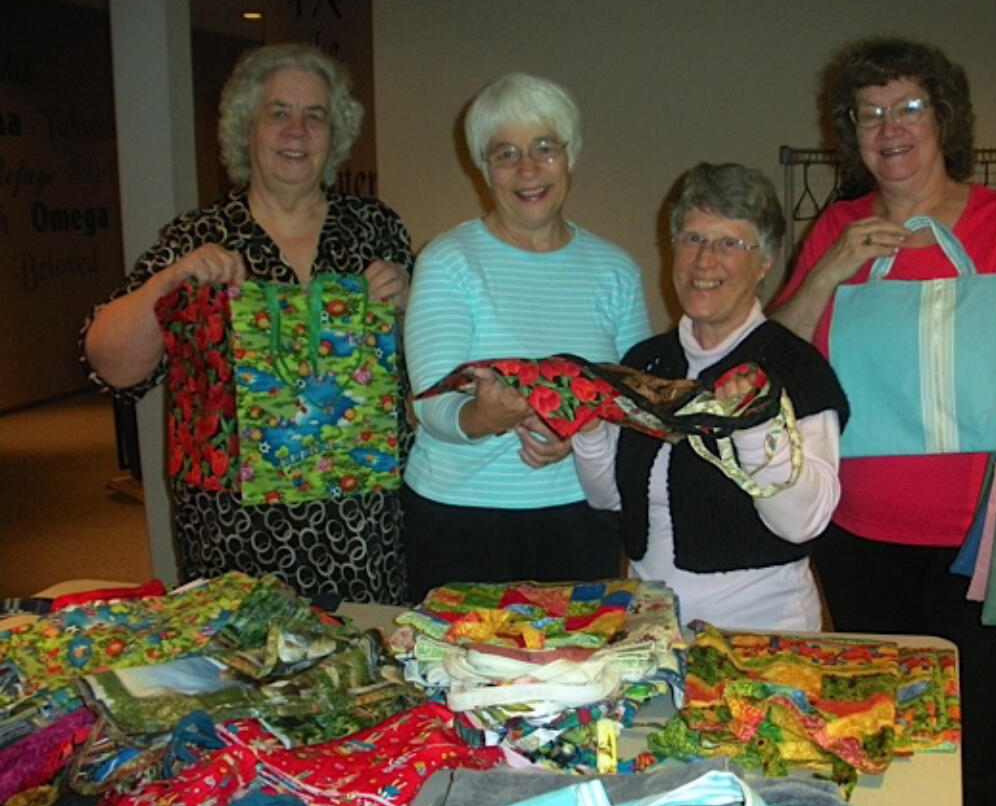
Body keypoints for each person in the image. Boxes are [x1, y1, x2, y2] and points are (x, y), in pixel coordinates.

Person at [772, 36, 996, 806]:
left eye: (909, 108)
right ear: (851, 134)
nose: (890, 128)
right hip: (855, 534)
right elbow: (777, 361)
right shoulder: (838, 227)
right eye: (870, 115)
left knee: (979, 746)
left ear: (945, 119)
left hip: (983, 540)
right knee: (874, 737)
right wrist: (829, 270)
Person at [81, 43, 413, 604]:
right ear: (247, 128)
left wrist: (408, 303)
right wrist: (166, 285)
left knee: (363, 678)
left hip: (363, 522)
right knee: (241, 675)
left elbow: (423, 362)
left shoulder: (375, 228)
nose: (296, 131)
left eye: (315, 116)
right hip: (234, 530)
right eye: (278, 112)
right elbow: (112, 366)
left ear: (335, 135)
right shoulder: (198, 237)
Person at [403, 72, 651, 601]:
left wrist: (580, 436)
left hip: (580, 518)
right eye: (505, 153)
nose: (529, 169)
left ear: (571, 154)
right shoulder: (449, 261)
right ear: (483, 168)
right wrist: (480, 418)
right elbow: (429, 403)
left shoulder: (616, 271)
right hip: (462, 520)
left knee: (579, 673)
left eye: (545, 147)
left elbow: (631, 406)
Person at [572, 162, 847, 632]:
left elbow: (804, 523)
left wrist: (755, 425)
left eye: (730, 243)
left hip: (761, 634)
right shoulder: (646, 363)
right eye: (693, 238)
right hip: (650, 627)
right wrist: (589, 425)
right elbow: (611, 497)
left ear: (764, 262)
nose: (705, 260)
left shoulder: (796, 369)